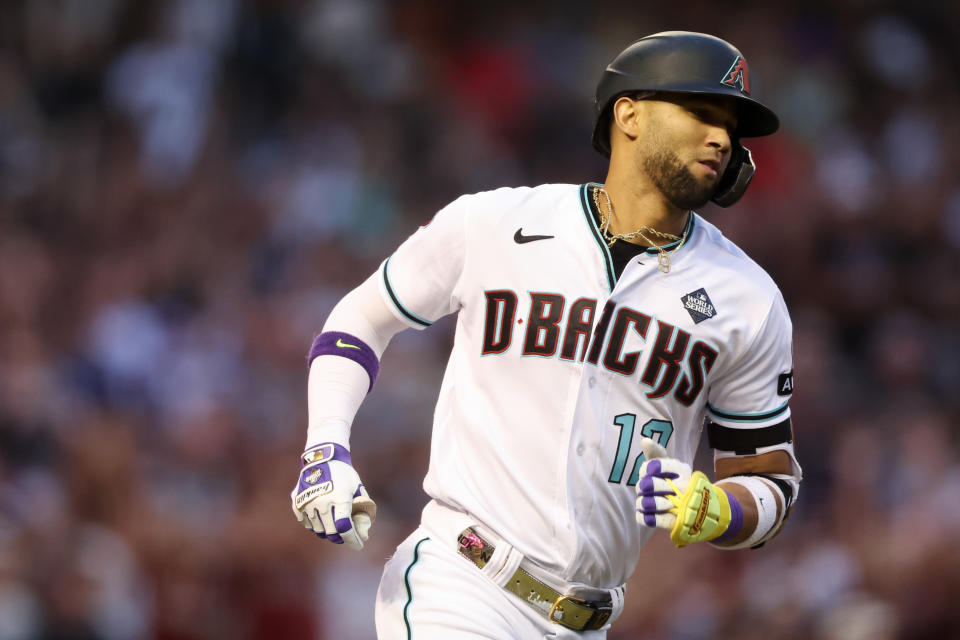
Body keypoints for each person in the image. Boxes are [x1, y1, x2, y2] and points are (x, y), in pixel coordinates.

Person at [291, 31, 802, 639]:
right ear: (629, 114)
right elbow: (363, 318)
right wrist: (326, 446)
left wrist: (721, 509)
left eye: (731, 125)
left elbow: (770, 478)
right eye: (701, 112)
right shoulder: (497, 222)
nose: (721, 136)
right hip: (462, 583)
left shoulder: (749, 299)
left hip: (588, 620)